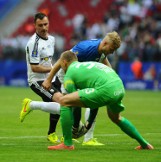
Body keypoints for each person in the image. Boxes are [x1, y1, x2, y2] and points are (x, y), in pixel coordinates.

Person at [46, 50, 153, 150]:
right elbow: (93, 100)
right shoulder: (85, 66)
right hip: (119, 86)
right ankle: (144, 144)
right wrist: (89, 123)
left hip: (106, 89)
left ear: (64, 63)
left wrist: (76, 127)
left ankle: (67, 144)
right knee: (116, 118)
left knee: (64, 101)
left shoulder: (69, 73)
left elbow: (73, 102)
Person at [42, 31, 121, 145]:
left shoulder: (102, 48)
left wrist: (112, 75)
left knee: (94, 97)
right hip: (67, 73)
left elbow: (104, 58)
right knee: (71, 102)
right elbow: (63, 59)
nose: (112, 53)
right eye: (111, 50)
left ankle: (86, 135)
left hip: (81, 74)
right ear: (105, 44)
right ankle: (71, 133)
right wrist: (49, 79)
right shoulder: (85, 49)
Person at [22, 12, 62, 144]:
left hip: (51, 77)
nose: (44, 28)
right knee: (61, 102)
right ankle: (30, 105)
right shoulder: (33, 43)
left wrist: (54, 71)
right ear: (34, 25)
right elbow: (35, 67)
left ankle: (51, 133)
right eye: (40, 25)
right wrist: (54, 68)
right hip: (37, 80)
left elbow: (49, 61)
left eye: (46, 24)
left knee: (57, 105)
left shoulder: (51, 39)